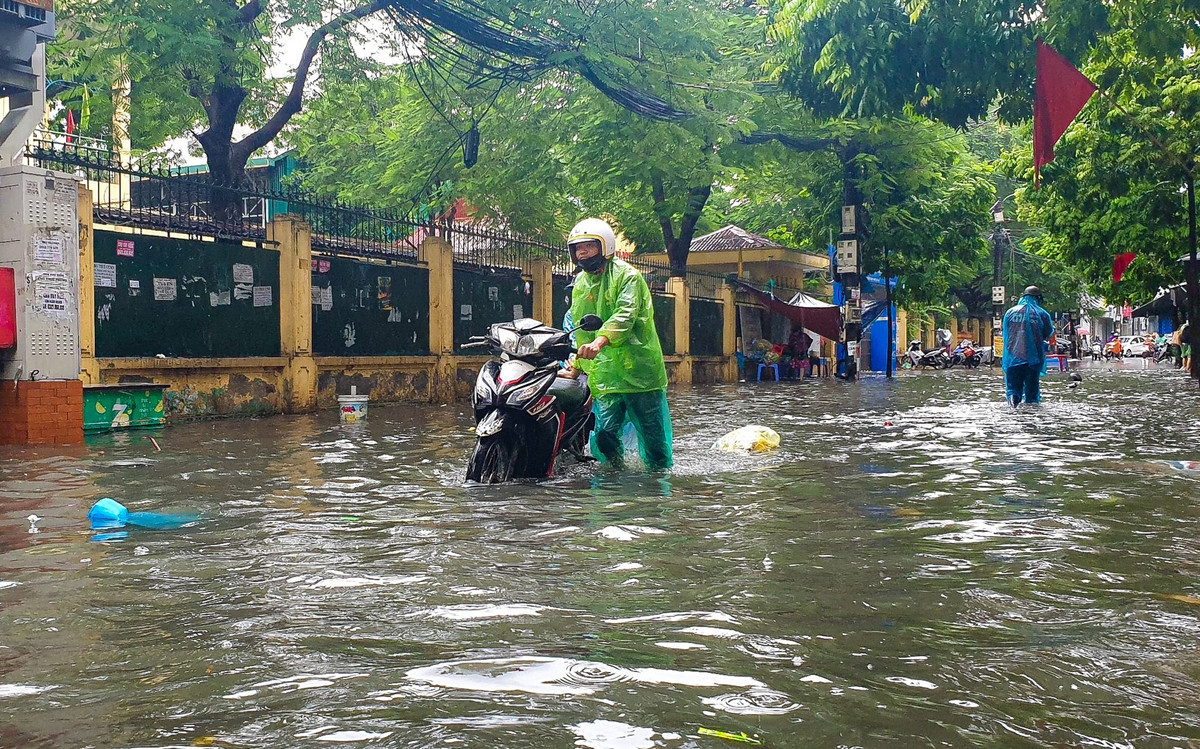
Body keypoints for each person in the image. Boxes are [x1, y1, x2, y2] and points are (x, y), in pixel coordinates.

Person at [567, 217, 673, 470]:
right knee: (603, 434)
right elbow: (582, 329)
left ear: (605, 246)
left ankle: (658, 481)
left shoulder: (629, 277)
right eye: (577, 248)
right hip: (606, 373)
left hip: (639, 369)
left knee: (652, 436)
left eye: (588, 246)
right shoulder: (581, 283)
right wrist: (577, 366)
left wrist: (601, 342)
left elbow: (625, 315)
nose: (582, 253)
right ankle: (614, 473)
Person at [1001, 285, 1054, 406]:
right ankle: (1030, 417)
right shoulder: (1042, 314)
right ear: (1037, 298)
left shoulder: (1010, 313)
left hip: (1013, 359)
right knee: (1031, 393)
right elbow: (1047, 333)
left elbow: (1006, 334)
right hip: (1033, 360)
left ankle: (1013, 410)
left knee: (1013, 389)